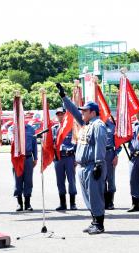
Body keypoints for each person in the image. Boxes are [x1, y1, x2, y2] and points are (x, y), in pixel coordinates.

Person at [57, 83, 107, 234]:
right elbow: (73, 111)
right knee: (87, 196)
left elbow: (100, 144)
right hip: (83, 166)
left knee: (95, 195)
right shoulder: (86, 124)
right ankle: (93, 221)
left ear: (93, 112)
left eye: (85, 111)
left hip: (93, 165)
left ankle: (99, 224)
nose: (82, 113)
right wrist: (64, 97)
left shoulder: (98, 125)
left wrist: (99, 163)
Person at [52, 107, 77, 211]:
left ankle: (72, 203)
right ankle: (63, 203)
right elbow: (50, 143)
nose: (60, 116)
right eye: (58, 114)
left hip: (69, 157)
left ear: (65, 115)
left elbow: (76, 142)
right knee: (60, 181)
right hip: (58, 157)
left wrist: (76, 157)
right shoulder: (54, 129)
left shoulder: (71, 127)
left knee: (71, 180)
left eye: (62, 114)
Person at [13, 123, 38, 211]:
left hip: (28, 157)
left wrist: (35, 158)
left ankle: (27, 203)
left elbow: (34, 144)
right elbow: (10, 140)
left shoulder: (31, 129)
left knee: (28, 181)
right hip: (17, 158)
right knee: (18, 180)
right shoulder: (13, 128)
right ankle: (19, 203)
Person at [104, 117, 121, 210]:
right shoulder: (96, 125)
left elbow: (118, 143)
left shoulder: (113, 126)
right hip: (99, 153)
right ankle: (103, 201)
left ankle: (110, 202)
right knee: (100, 178)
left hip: (109, 154)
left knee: (110, 178)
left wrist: (116, 155)